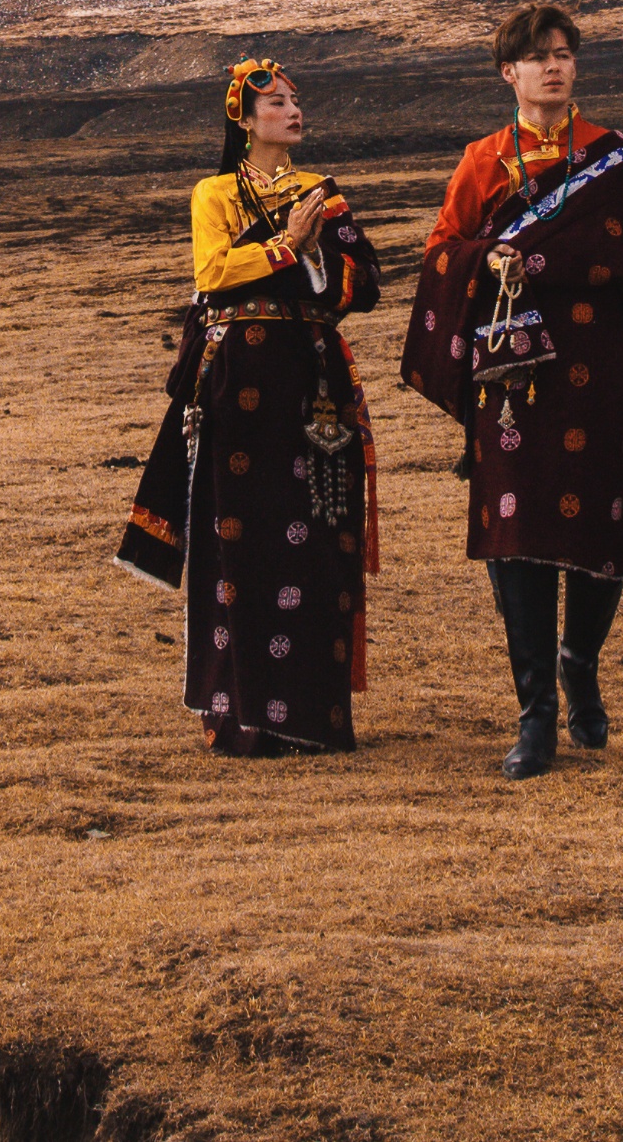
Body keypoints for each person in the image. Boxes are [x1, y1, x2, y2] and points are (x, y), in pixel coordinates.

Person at [402, 4, 623, 778]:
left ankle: (579, 659)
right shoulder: (482, 162)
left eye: (564, 54)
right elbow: (441, 253)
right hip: (512, 380)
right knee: (515, 535)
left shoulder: (616, 163)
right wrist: (486, 261)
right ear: (508, 73)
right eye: (536, 56)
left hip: (603, 375)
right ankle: (536, 715)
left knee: (603, 533)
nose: (553, 66)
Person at [118, 57, 383, 755]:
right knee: (240, 535)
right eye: (276, 103)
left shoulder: (323, 192)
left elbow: (365, 281)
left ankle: (314, 719)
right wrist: (288, 246)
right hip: (238, 380)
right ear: (243, 117)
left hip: (311, 379)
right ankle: (238, 715)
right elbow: (213, 273)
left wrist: (319, 258)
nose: (293, 112)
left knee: (317, 534)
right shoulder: (213, 193)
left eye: (297, 101)